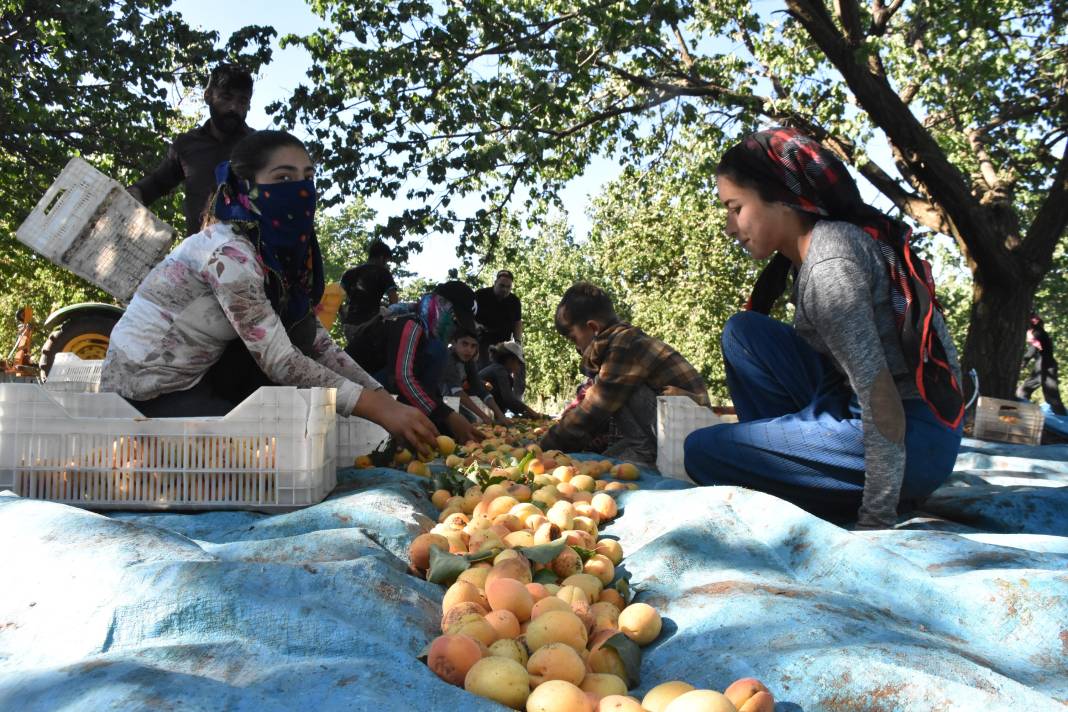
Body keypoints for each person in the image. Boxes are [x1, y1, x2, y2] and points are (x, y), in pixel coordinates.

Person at [684, 127, 964, 529]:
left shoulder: (830, 265)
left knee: (702, 451)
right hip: (856, 408)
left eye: (736, 208)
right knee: (744, 333)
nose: (730, 227)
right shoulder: (811, 256)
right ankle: (799, 475)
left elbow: (880, 395)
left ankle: (813, 487)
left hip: (912, 437)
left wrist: (876, 515)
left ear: (781, 198)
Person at [101, 130, 438, 454]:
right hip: (145, 390)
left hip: (201, 376)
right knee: (259, 460)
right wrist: (373, 406)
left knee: (285, 422)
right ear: (246, 188)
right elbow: (280, 360)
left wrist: (381, 396)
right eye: (283, 179)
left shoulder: (272, 257)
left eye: (307, 177)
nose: (302, 190)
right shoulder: (227, 254)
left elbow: (315, 342)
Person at [539, 282, 709, 465]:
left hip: (687, 433)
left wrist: (548, 444)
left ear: (593, 328)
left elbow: (596, 406)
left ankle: (646, 454)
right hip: (676, 429)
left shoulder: (625, 344)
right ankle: (642, 451)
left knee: (608, 388)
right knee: (604, 460)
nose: (577, 348)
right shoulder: (619, 342)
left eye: (574, 339)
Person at [346, 280, 484, 445]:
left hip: (378, 391)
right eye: (454, 320)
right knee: (438, 350)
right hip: (354, 389)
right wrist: (447, 415)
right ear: (440, 304)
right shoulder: (409, 324)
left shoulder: (426, 336)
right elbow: (403, 377)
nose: (454, 329)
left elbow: (428, 390)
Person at [128, 64, 256, 236]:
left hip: (247, 253)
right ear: (208, 95)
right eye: (226, 97)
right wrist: (129, 195)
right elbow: (155, 184)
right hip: (198, 253)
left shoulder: (259, 147)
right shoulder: (187, 144)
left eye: (242, 101)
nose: (234, 107)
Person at [441, 328, 508, 425]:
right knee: (462, 425)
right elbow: (458, 393)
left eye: (473, 346)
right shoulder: (447, 358)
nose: (469, 349)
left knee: (472, 421)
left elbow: (481, 390)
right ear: (454, 343)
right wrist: (484, 417)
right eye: (464, 344)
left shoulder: (469, 361)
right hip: (436, 401)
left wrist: (501, 415)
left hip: (452, 400)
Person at [340, 240, 400, 346]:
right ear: (382, 258)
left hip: (349, 327)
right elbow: (394, 301)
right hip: (370, 326)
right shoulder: (383, 273)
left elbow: (336, 299)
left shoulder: (349, 274)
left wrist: (343, 317)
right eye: (386, 261)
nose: (386, 265)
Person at [1016, 312, 1065, 415]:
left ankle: (1061, 416)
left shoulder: (1038, 333)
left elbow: (1032, 350)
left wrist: (1024, 362)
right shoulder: (1036, 332)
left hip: (1046, 365)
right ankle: (1021, 410)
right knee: (1024, 390)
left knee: (1051, 395)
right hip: (1043, 364)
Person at [479, 341, 543, 420]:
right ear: (510, 360)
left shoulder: (503, 373)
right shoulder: (499, 370)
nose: (519, 367)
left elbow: (504, 402)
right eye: (518, 363)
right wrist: (530, 411)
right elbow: (509, 399)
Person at [474, 270, 523, 368]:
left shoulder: (515, 301)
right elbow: (469, 316)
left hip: (502, 343)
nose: (505, 289)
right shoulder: (480, 294)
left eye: (508, 287)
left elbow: (517, 322)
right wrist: (476, 325)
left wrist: (517, 342)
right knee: (483, 367)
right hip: (481, 340)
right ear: (495, 283)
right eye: (502, 286)